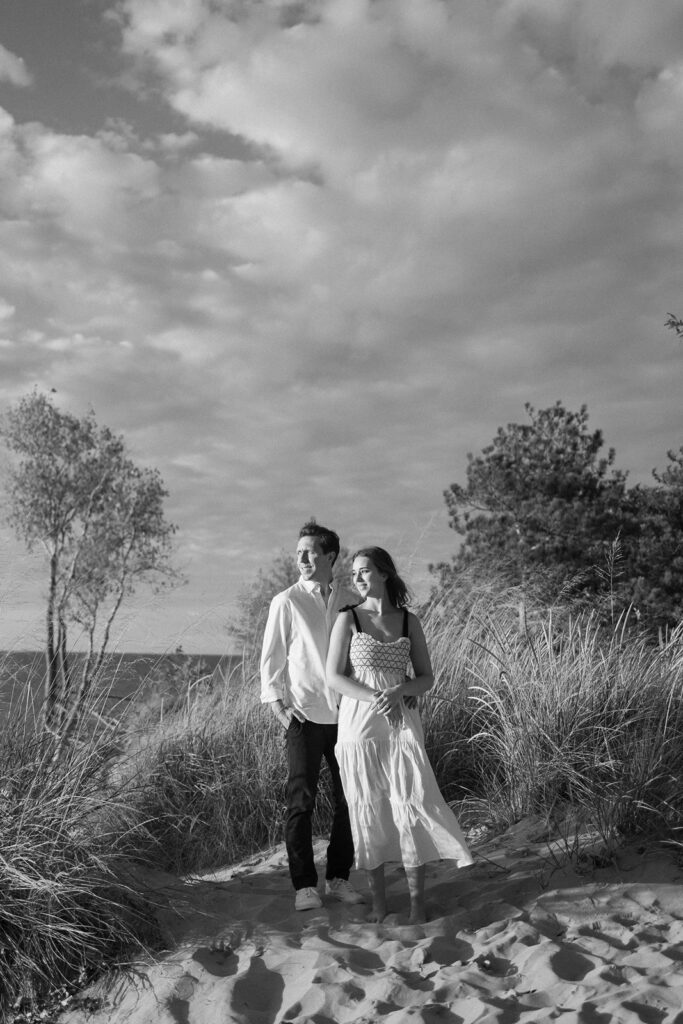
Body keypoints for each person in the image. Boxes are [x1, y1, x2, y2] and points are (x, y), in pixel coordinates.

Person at [326, 546, 473, 924]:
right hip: (360, 725)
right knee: (368, 809)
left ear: (385, 574)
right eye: (354, 573)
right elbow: (334, 676)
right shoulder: (349, 619)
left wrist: (400, 691)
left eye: (364, 571)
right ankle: (378, 905)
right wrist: (377, 695)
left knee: (410, 804)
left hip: (401, 725)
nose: (357, 578)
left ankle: (416, 906)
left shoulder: (409, 622)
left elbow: (426, 677)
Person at [260, 520, 366, 911]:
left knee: (350, 800)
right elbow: (270, 659)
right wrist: (279, 709)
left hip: (347, 717)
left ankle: (338, 878)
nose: (302, 558)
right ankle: (304, 886)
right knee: (300, 802)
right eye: (298, 552)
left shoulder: (351, 600)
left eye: (310, 552)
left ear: (330, 557)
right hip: (302, 718)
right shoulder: (286, 601)